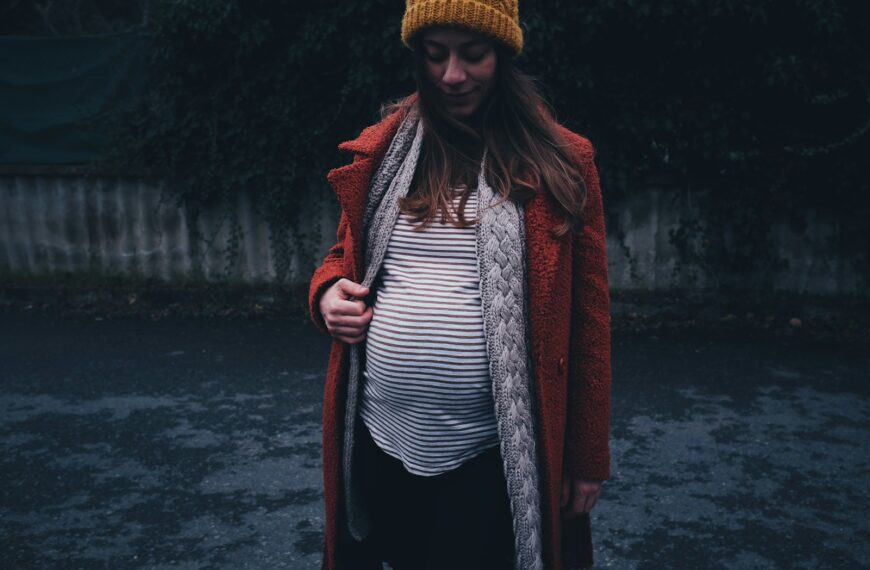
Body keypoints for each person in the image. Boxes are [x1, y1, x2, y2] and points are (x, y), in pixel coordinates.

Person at [308, 1, 612, 568]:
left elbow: (589, 324)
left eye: (473, 54)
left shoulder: (563, 162)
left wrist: (588, 456)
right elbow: (341, 256)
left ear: (503, 53)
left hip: (492, 457)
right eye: (435, 54)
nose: (452, 75)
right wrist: (327, 294)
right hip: (380, 438)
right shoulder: (385, 149)